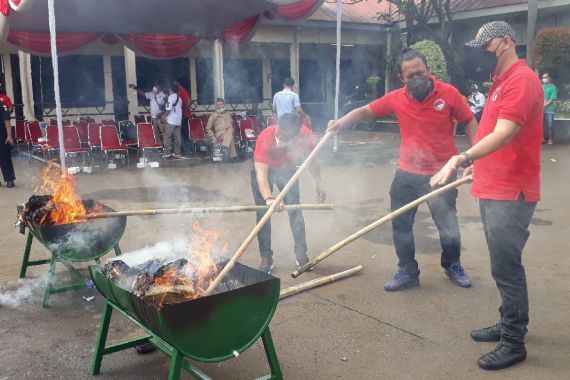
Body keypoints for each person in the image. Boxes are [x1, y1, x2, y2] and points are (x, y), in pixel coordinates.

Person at [431, 21, 543, 371]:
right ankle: (507, 321)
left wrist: (462, 157)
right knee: (502, 266)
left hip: (512, 192)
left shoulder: (521, 81)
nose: (480, 53)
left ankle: (514, 341)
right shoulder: (499, 83)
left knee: (507, 268)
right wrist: (479, 167)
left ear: (506, 42)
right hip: (495, 186)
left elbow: (506, 133)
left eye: (486, 45)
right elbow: (495, 137)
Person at [327, 47, 478, 292]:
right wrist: (341, 123)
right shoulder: (396, 97)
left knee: (448, 224)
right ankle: (407, 271)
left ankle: (453, 265)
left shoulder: (448, 94)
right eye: (410, 76)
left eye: (420, 72)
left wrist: (475, 153)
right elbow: (367, 110)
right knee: (401, 225)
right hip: (407, 172)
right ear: (402, 78)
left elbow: (469, 121)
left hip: (442, 173)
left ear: (428, 70)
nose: (417, 78)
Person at [252, 113, 326, 273]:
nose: (279, 136)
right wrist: (269, 198)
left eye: (284, 137)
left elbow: (312, 161)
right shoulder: (266, 138)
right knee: (263, 213)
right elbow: (261, 175)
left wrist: (319, 182)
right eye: (279, 132)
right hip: (264, 170)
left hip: (287, 169)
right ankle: (266, 257)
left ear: (294, 136)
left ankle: (301, 254)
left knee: (294, 209)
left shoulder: (305, 137)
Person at [161, 84, 183, 158]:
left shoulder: (170, 97)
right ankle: (177, 153)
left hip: (171, 121)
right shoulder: (179, 98)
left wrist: (164, 116)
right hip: (178, 121)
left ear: (170, 90)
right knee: (177, 137)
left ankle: (167, 152)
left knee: (167, 137)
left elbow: (168, 109)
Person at [173, 79, 193, 155]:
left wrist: (184, 111)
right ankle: (184, 150)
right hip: (181, 117)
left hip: (185, 116)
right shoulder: (177, 92)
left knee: (184, 134)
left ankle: (187, 150)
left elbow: (189, 101)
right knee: (181, 134)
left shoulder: (181, 90)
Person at [0, 99, 15, 188]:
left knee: (5, 159)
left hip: (2, 137)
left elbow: (7, 121)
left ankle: (9, 179)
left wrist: (9, 136)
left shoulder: (1, 104)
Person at [542, 72, 557, 144]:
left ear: (549, 78)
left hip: (550, 109)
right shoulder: (542, 86)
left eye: (545, 77)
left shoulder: (553, 87)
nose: (544, 79)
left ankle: (550, 139)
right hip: (542, 109)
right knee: (541, 124)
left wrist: (544, 106)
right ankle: (542, 138)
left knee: (550, 125)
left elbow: (552, 99)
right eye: (543, 77)